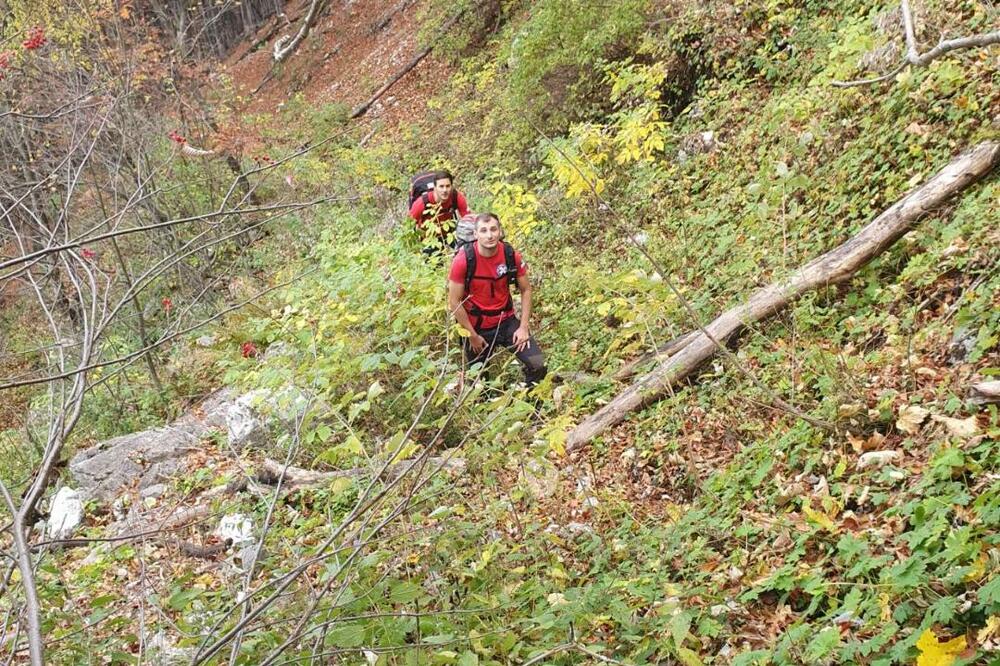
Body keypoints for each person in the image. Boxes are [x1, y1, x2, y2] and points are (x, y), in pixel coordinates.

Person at [447, 213, 546, 386]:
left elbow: (526, 289)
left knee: (537, 363)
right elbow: (454, 302)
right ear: (476, 235)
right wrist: (472, 335)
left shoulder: (510, 255)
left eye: (493, 229)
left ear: (500, 231)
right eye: (483, 231)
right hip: (476, 326)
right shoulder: (463, 260)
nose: (489, 235)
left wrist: (523, 328)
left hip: (506, 320)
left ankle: (532, 408)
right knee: (478, 381)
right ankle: (485, 408)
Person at [409, 170, 469, 253]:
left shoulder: (456, 196)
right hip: (429, 238)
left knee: (465, 252)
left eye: (448, 186)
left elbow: (469, 219)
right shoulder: (422, 202)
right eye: (441, 186)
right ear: (434, 187)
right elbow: (409, 224)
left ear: (452, 186)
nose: (445, 190)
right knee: (435, 263)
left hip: (449, 232)